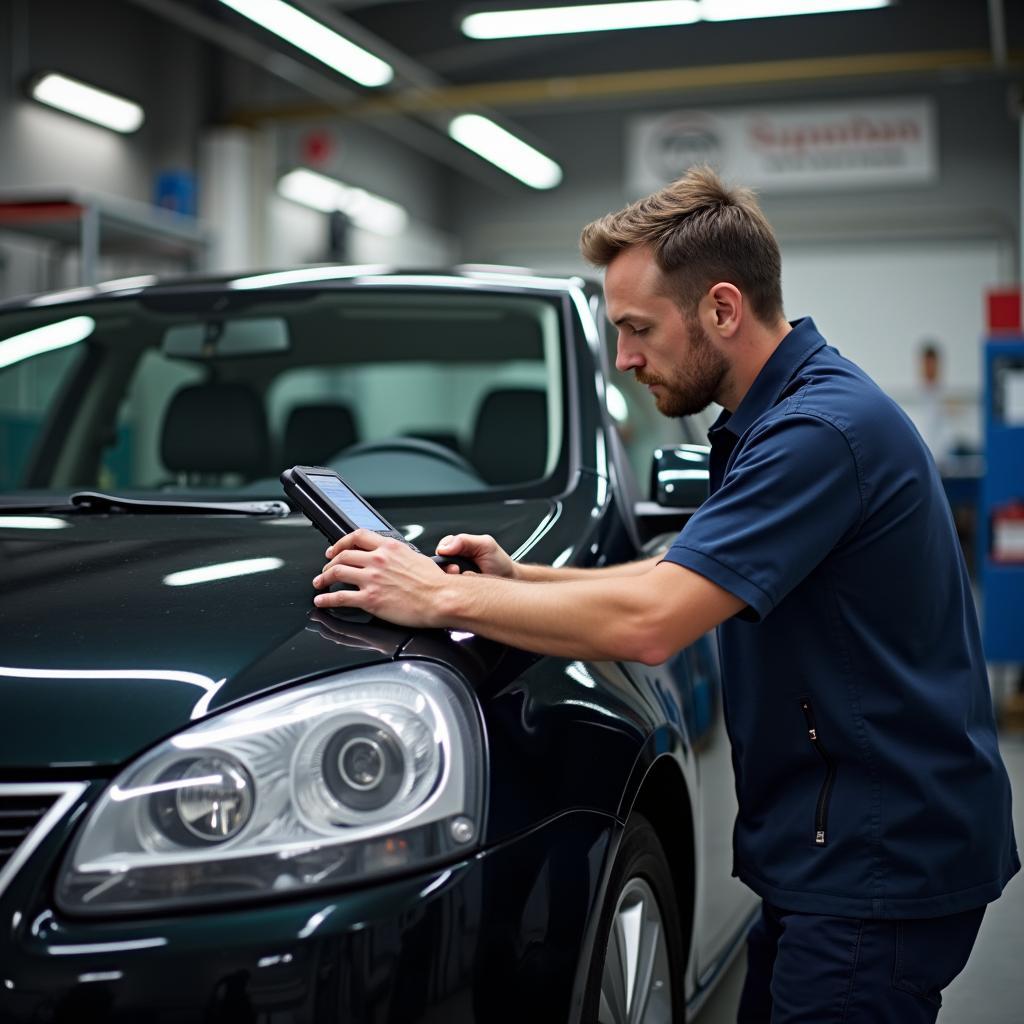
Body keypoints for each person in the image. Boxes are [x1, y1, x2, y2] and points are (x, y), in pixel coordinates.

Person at [312, 166, 1019, 1022]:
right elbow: (678, 573)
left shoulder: (818, 435)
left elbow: (653, 623)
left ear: (722, 309)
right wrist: (521, 578)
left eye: (639, 328)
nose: (625, 358)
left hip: (877, 867)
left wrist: (439, 600)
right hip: (832, 853)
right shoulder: (782, 416)